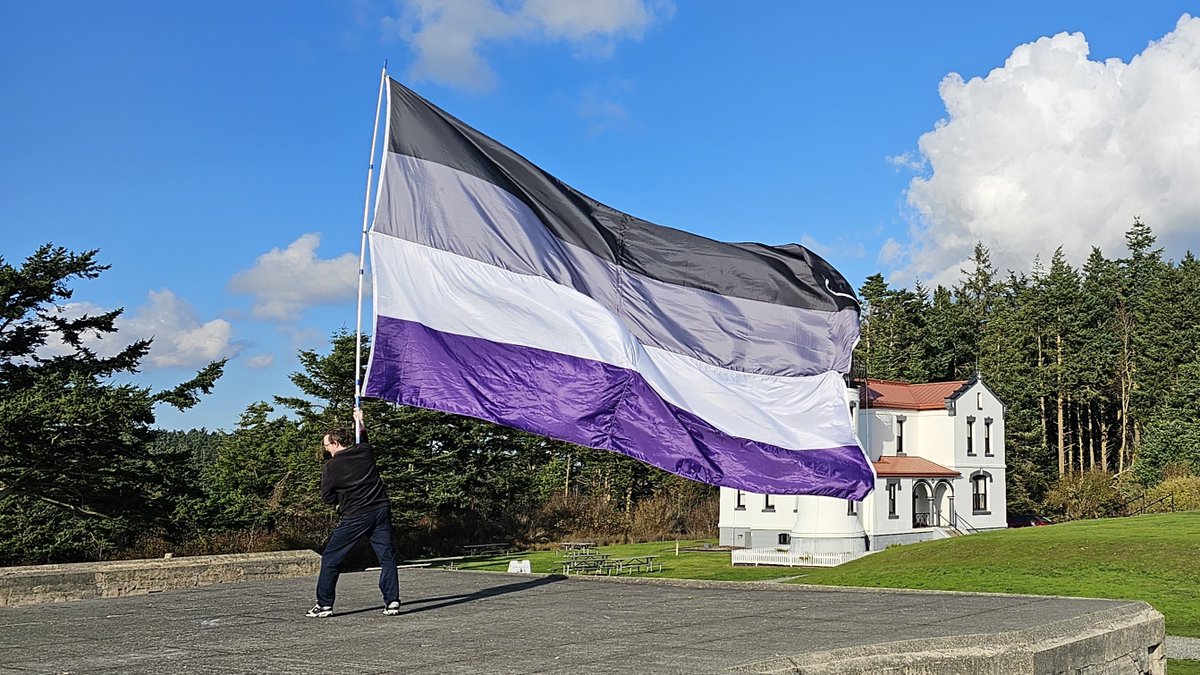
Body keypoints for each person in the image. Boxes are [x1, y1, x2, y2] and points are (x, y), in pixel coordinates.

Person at [307, 407, 401, 618]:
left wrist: (340, 501)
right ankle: (392, 601)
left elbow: (327, 496)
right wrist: (360, 421)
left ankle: (324, 604)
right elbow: (364, 439)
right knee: (386, 556)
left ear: (336, 443)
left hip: (356, 514)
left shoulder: (331, 466)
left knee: (331, 558)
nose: (326, 450)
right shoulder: (365, 452)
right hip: (381, 510)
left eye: (327, 446)